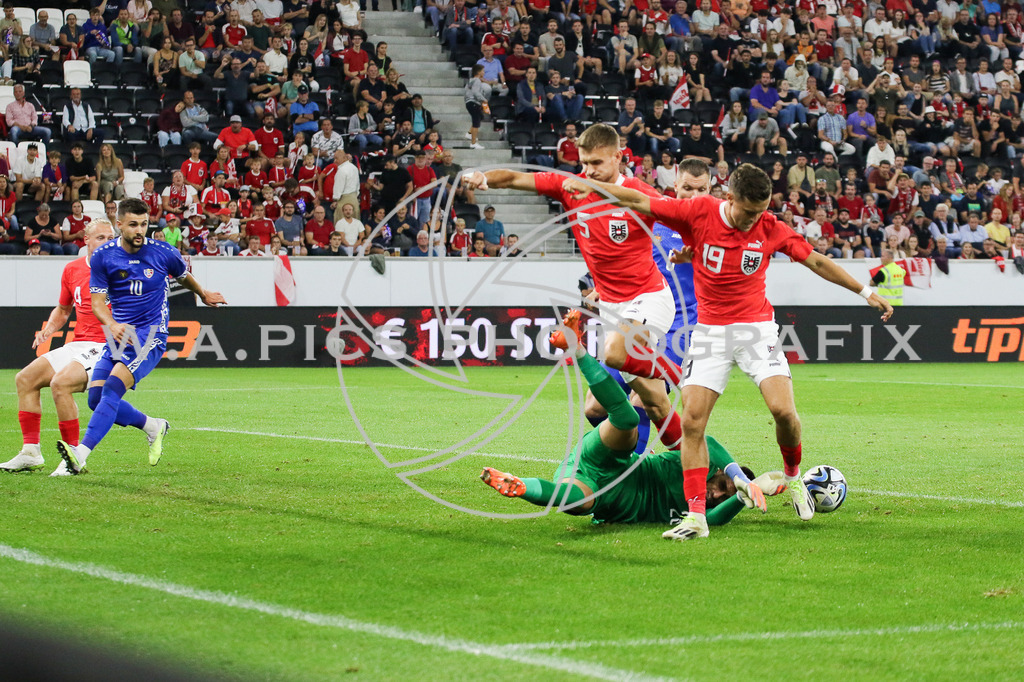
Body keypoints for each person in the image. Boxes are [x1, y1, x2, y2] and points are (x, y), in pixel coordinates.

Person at [559, 163, 894, 539]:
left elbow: (814, 259)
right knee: (691, 422)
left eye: (761, 210)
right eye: (749, 211)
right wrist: (589, 185)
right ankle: (696, 517)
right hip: (709, 333)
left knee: (783, 411)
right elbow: (641, 199)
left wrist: (866, 293)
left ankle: (794, 477)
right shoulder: (700, 214)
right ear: (730, 199)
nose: (755, 219)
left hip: (755, 329)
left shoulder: (770, 227)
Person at [462, 123, 689, 457]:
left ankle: (683, 377)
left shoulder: (639, 194)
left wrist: (690, 251)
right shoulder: (571, 187)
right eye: (583, 162)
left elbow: (684, 218)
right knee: (612, 407)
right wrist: (485, 179)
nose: (588, 170)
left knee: (615, 352)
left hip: (649, 298)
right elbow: (513, 178)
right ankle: (686, 461)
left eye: (596, 163)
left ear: (618, 157)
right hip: (614, 308)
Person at [480, 338, 776, 528]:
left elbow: (712, 520)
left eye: (724, 495)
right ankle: (579, 350)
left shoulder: (704, 509)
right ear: (715, 471)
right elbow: (708, 442)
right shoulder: (697, 461)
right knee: (627, 420)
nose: (718, 494)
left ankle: (521, 486)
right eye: (723, 484)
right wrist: (738, 476)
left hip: (610, 499)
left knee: (575, 501)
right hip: (616, 462)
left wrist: (739, 498)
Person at [55, 199, 226, 476]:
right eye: (133, 224)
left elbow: (184, 277)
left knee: (111, 389)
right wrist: (110, 324)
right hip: (119, 333)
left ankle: (79, 455)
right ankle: (153, 426)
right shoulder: (104, 256)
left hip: (150, 334)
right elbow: (97, 302)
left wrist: (202, 293)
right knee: (96, 398)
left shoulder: (163, 252)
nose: (139, 230)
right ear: (119, 224)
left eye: (144, 224)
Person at [1, 220, 170, 476]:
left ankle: (72, 455)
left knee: (62, 384)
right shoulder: (72, 269)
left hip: (105, 344)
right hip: (77, 343)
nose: (108, 242)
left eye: (110, 237)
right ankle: (30, 452)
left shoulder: (125, 267)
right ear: (86, 240)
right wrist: (49, 329)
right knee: (25, 379)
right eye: (101, 237)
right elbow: (64, 308)